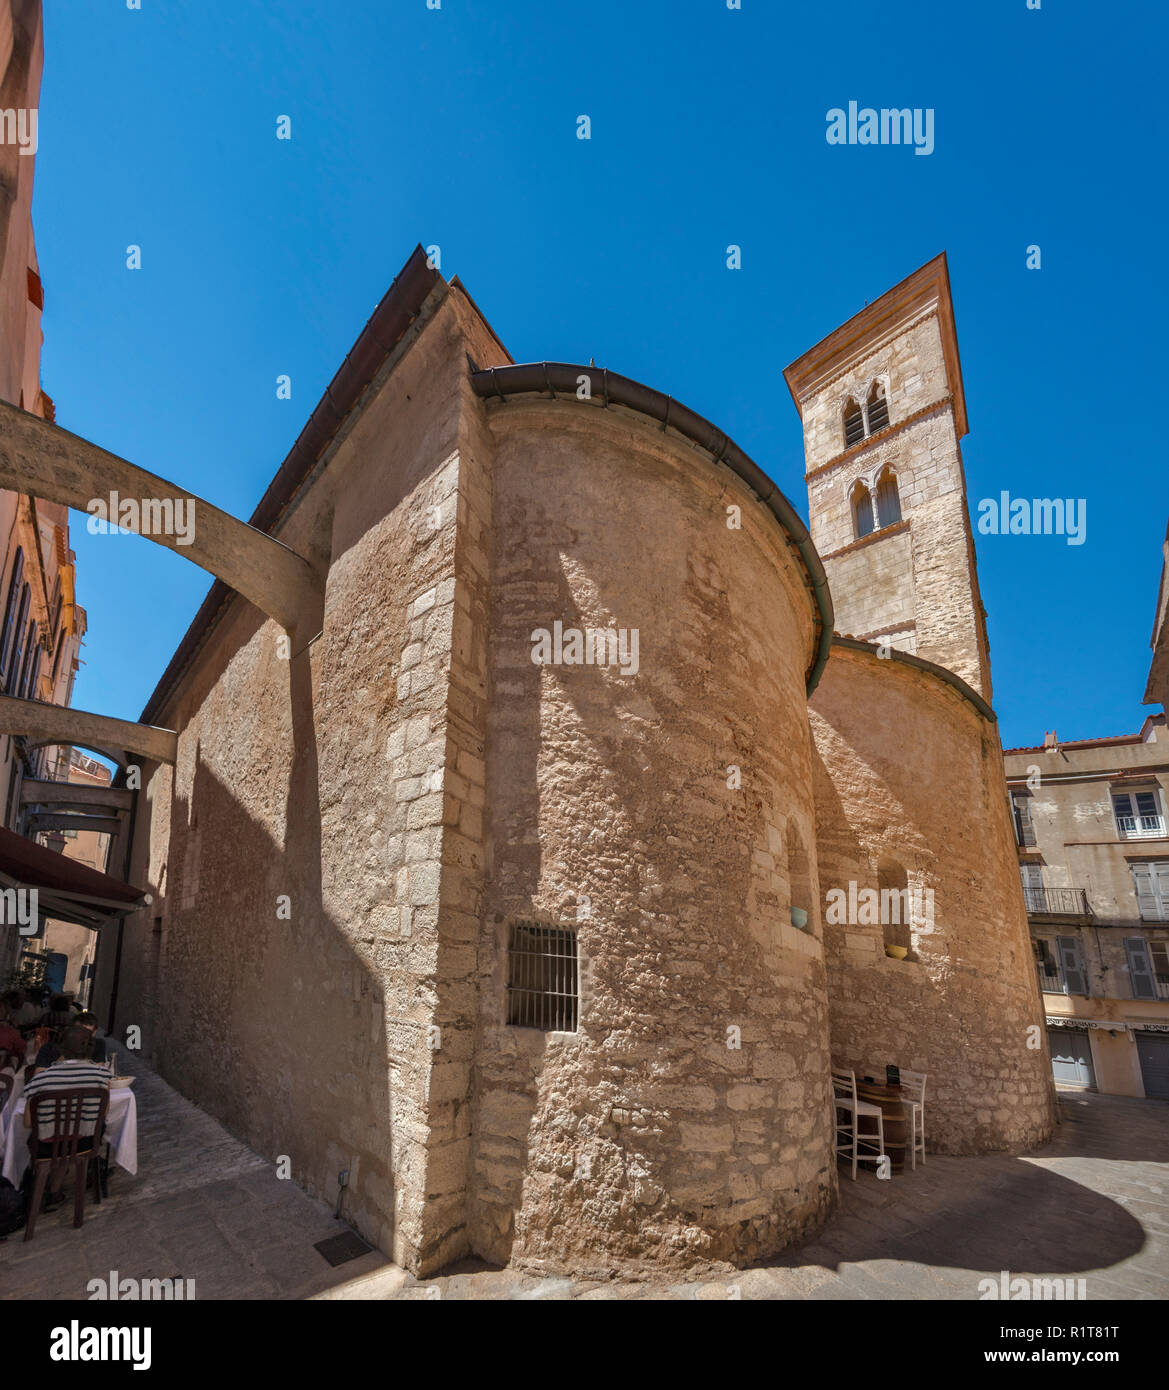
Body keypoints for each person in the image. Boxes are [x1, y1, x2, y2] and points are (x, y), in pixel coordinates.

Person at [22, 1026, 110, 1212]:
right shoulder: (102, 1077)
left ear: (60, 1049)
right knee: (74, 1133)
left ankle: (44, 1190)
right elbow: (103, 1113)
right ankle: (56, 1189)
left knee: (57, 1135)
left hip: (46, 1147)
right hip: (84, 1143)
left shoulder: (40, 1080)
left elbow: (28, 1123)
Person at [32, 1011, 106, 1070]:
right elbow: (39, 1074)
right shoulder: (50, 1048)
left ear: (95, 1032)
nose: (83, 1037)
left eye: (87, 1033)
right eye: (78, 1031)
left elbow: (100, 1068)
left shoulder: (98, 1044)